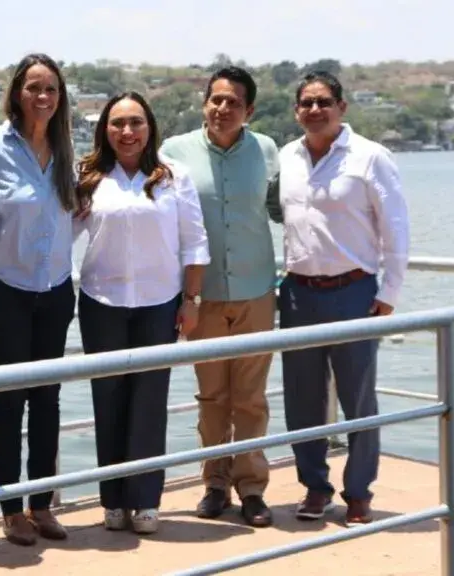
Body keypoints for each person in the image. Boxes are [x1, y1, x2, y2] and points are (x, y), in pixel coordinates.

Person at [276, 70, 409, 525]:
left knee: (358, 398)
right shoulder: (287, 156)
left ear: (342, 107)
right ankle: (315, 487)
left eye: (324, 102)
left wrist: (389, 293)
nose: (315, 110)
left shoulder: (371, 157)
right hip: (297, 294)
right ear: (297, 110)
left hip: (354, 291)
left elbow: (397, 230)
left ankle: (358, 493)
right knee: (301, 399)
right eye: (307, 103)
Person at [74, 92, 210, 535]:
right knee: (108, 402)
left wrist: (191, 301)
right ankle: (113, 500)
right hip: (101, 305)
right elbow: (59, 233)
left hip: (159, 303)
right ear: (104, 130)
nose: (127, 132)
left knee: (150, 404)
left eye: (135, 122)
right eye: (117, 124)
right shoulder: (89, 177)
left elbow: (195, 243)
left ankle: (146, 500)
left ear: (150, 126)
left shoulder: (174, 176)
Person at [158, 66, 281, 527]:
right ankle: (214, 483)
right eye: (216, 100)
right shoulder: (174, 153)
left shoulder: (267, 151)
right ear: (204, 103)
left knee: (250, 399)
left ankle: (251, 488)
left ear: (249, 110)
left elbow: (282, 209)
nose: (222, 109)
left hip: (255, 291)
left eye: (233, 102)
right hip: (201, 295)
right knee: (211, 397)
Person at [0, 53, 77, 546]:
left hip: (56, 290)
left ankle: (42, 503)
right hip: (5, 289)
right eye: (34, 88)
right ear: (17, 92)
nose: (43, 97)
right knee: (9, 400)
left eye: (51, 89)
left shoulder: (66, 150)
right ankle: (11, 509)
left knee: (48, 400)